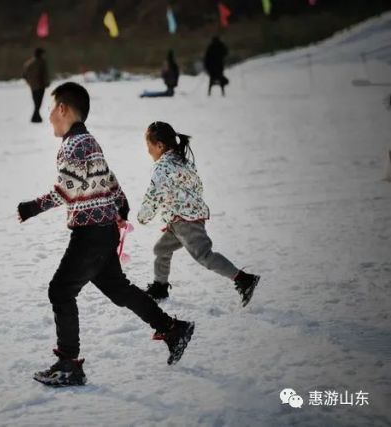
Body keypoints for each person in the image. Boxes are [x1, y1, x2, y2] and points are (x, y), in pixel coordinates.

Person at [17, 82, 195, 387]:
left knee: (60, 291)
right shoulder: (88, 141)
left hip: (90, 235)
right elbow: (110, 179)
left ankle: (68, 364)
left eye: (51, 109)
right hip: (102, 231)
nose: (48, 117)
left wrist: (31, 207)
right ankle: (172, 328)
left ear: (62, 108)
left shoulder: (75, 145)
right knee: (118, 289)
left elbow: (67, 190)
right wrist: (120, 205)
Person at [138, 121, 260, 304]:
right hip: (182, 219)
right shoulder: (183, 162)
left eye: (148, 146)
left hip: (185, 222)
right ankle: (160, 287)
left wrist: (143, 217)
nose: (148, 151)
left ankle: (244, 279)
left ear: (159, 146)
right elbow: (198, 187)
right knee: (161, 249)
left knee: (204, 256)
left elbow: (154, 195)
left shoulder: (162, 167)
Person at [22, 47, 50, 123]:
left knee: (36, 101)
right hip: (41, 85)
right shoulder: (42, 62)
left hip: (33, 85)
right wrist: (46, 82)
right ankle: (35, 117)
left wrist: (29, 81)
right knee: (38, 101)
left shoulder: (29, 63)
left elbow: (24, 74)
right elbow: (45, 73)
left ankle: (36, 117)